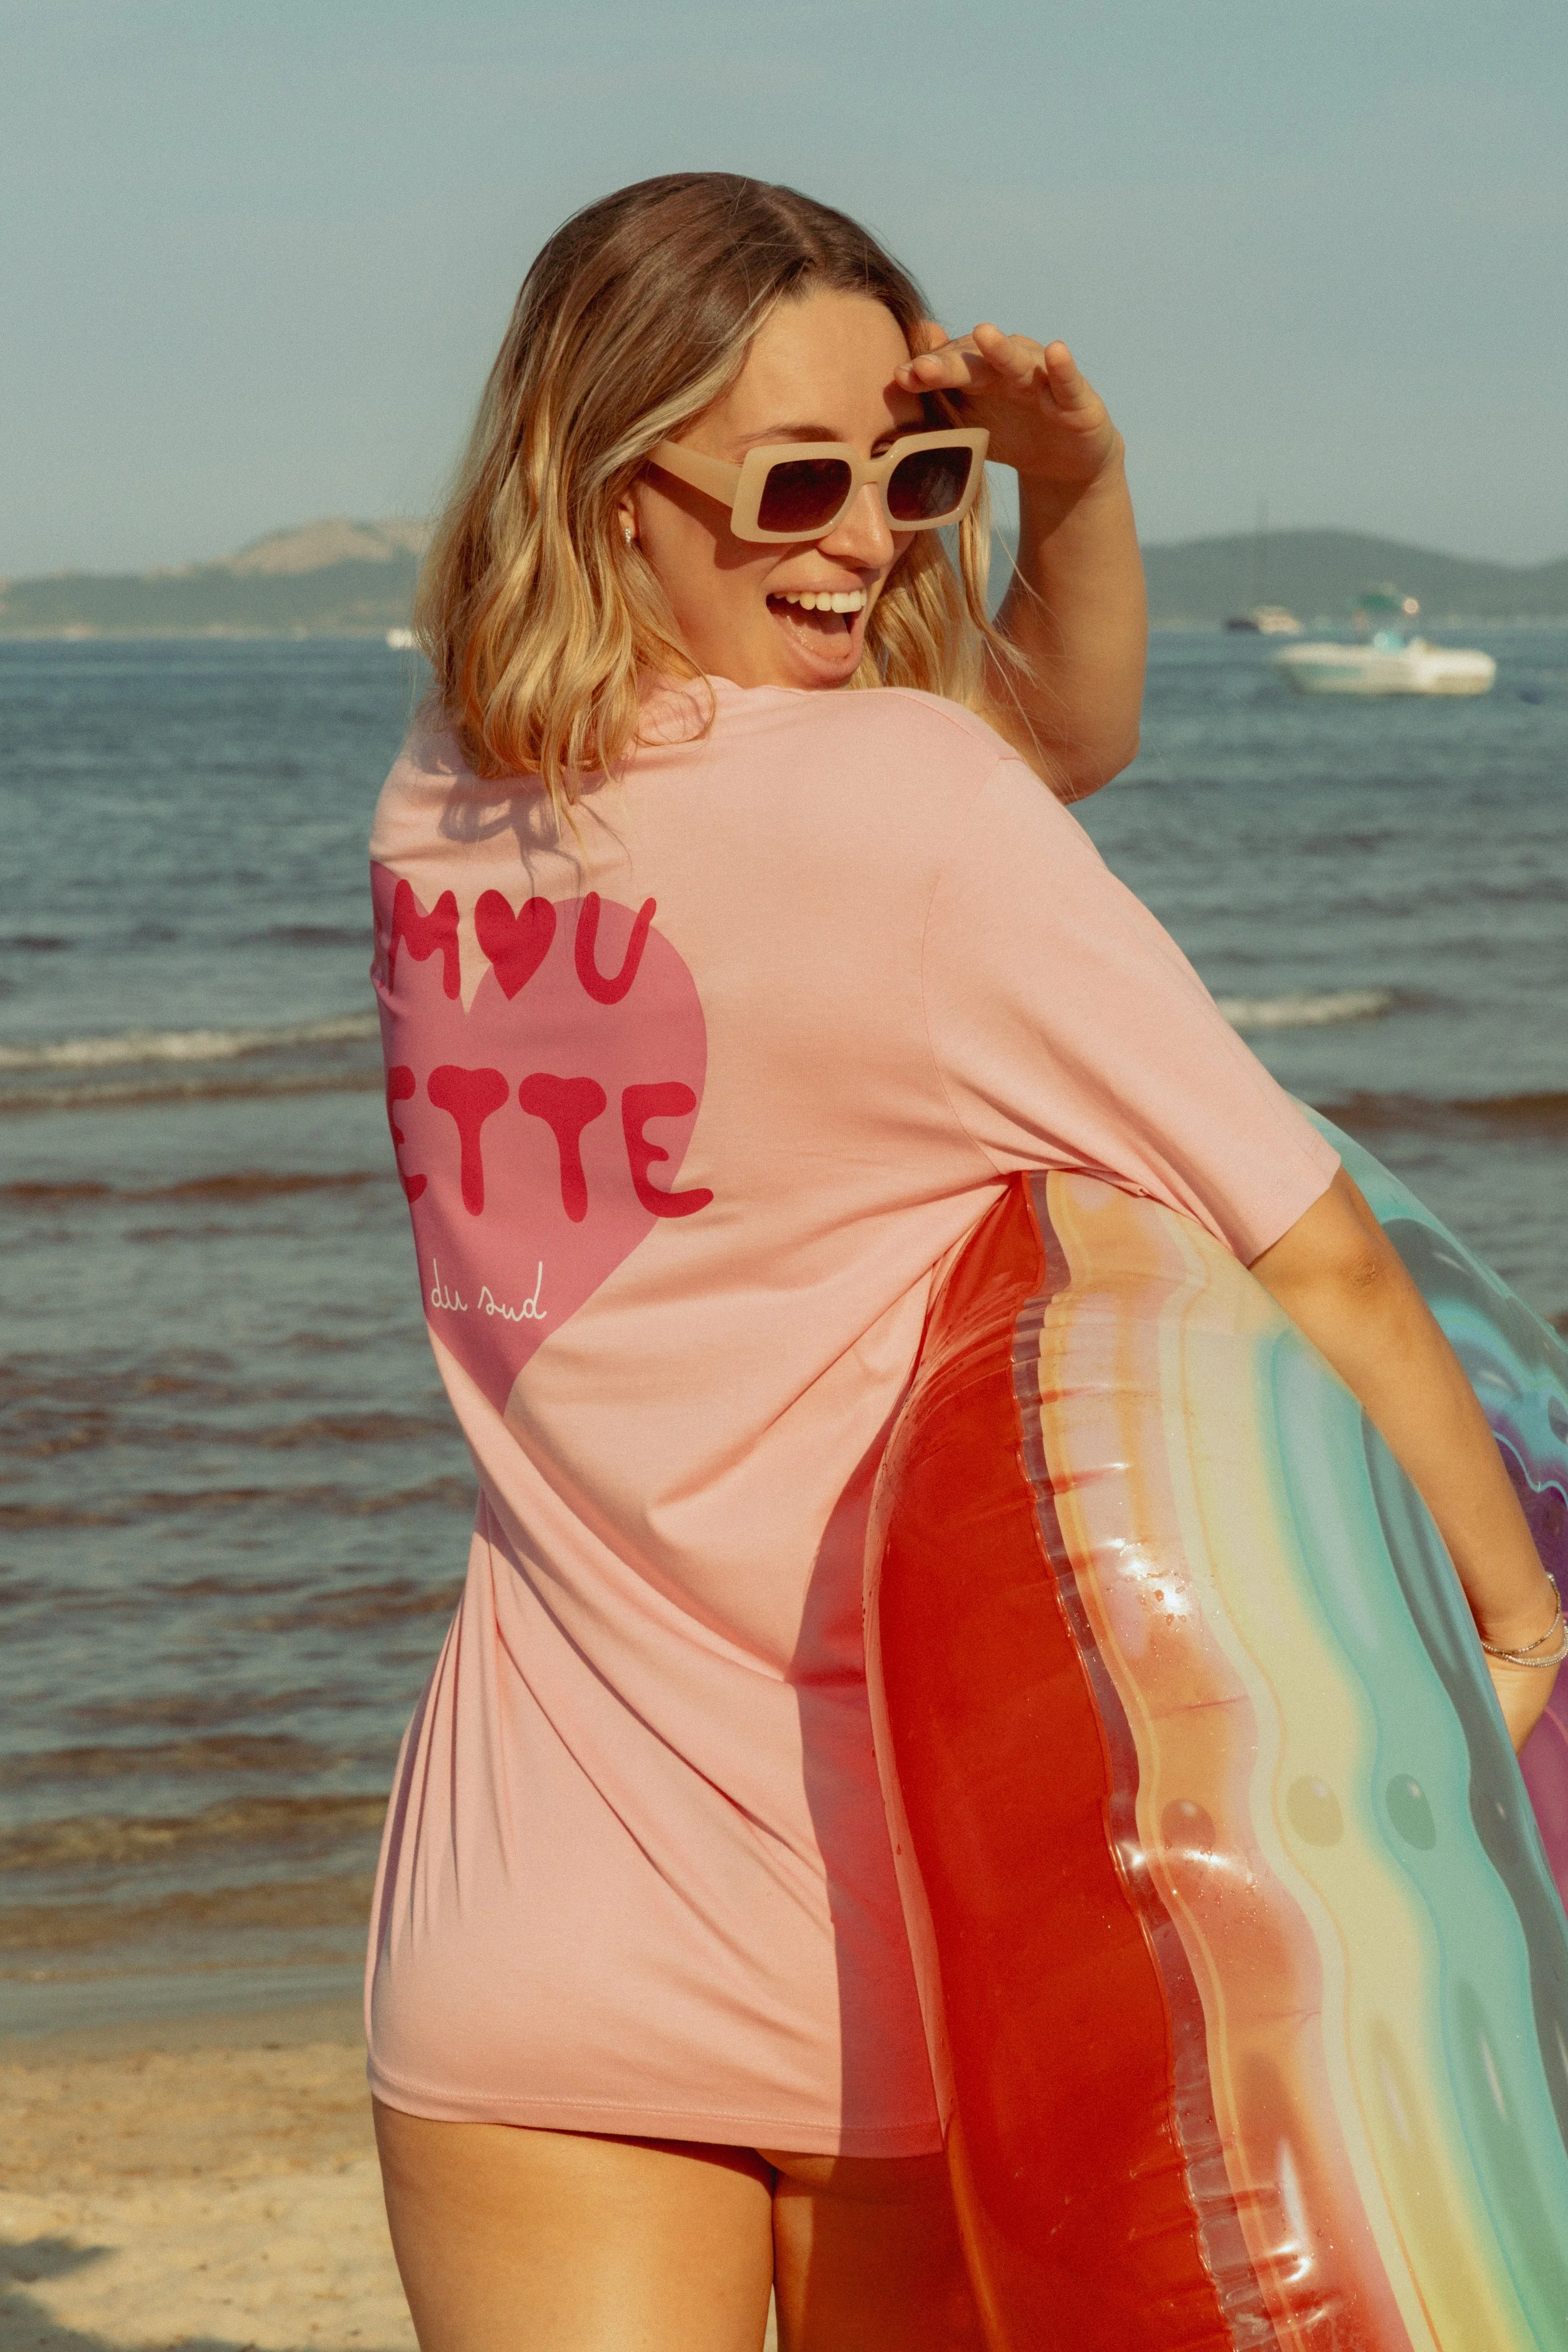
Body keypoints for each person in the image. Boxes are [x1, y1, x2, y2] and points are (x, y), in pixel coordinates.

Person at [364, 173, 1559, 2352]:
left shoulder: (448, 783)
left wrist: (1055, 492)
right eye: (794, 483)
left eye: (914, 476)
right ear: (611, 488)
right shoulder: (915, 809)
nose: (869, 536)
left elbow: (1025, 759)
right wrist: (1508, 1598)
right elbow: (1324, 1256)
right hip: (877, 1925)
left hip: (510, 1925)